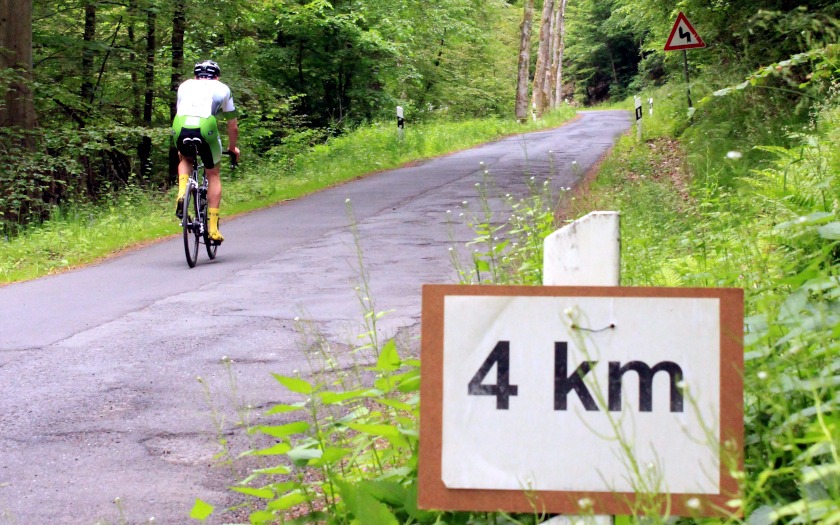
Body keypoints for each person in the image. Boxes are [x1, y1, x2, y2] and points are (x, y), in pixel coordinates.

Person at [172, 60, 240, 243]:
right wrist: (232, 148)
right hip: (206, 126)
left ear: (195, 76)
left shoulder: (184, 86)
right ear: (216, 76)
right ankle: (212, 229)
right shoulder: (223, 88)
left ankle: (182, 193)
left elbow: (182, 111)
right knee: (213, 173)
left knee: (185, 158)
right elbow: (232, 126)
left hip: (180, 125)